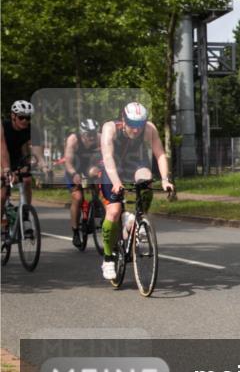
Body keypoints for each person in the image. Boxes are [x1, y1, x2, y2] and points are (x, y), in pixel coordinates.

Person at [98, 102, 174, 280]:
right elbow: (108, 158)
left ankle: (139, 219)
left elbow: (160, 154)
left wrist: (165, 179)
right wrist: (116, 182)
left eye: (139, 125)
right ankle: (108, 258)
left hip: (134, 165)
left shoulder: (149, 129)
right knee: (114, 210)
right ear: (123, 119)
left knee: (146, 177)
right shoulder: (110, 128)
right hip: (112, 168)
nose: (136, 130)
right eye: (132, 124)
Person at [1, 101, 43, 235]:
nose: (25, 121)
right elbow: (2, 149)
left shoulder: (32, 129)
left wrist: (44, 167)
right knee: (2, 193)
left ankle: (25, 214)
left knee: (27, 180)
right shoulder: (3, 127)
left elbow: (37, 153)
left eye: (28, 118)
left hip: (16, 158)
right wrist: (6, 170)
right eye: (21, 117)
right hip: (1, 155)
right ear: (13, 116)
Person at [64, 119, 102, 246]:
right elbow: (68, 162)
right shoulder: (73, 140)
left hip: (90, 167)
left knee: (100, 186)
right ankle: (75, 231)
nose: (92, 137)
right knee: (78, 197)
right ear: (82, 134)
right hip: (74, 169)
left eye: (94, 133)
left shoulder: (100, 138)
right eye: (88, 134)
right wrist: (74, 174)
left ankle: (96, 208)